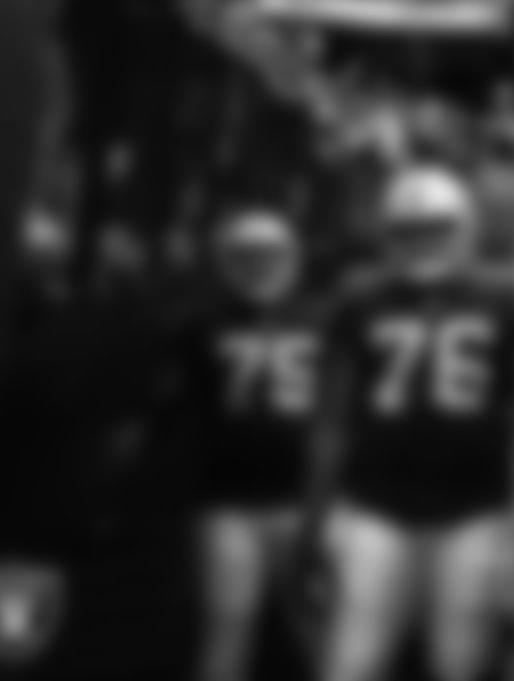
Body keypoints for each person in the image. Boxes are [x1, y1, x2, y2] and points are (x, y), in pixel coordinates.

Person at [318, 165, 514, 681]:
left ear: (465, 228)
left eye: (437, 228)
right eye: (409, 231)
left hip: (474, 508)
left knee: (456, 661)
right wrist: (325, 511)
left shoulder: (510, 300)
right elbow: (333, 417)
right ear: (387, 235)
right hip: (377, 504)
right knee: (353, 658)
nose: (423, 242)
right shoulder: (359, 300)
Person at [160, 209, 326, 681]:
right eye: (247, 256)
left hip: (306, 498)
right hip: (227, 497)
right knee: (229, 622)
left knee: (318, 626)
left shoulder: (324, 320)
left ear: (291, 256)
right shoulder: (199, 325)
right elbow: (177, 403)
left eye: (269, 254)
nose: (259, 265)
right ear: (226, 261)